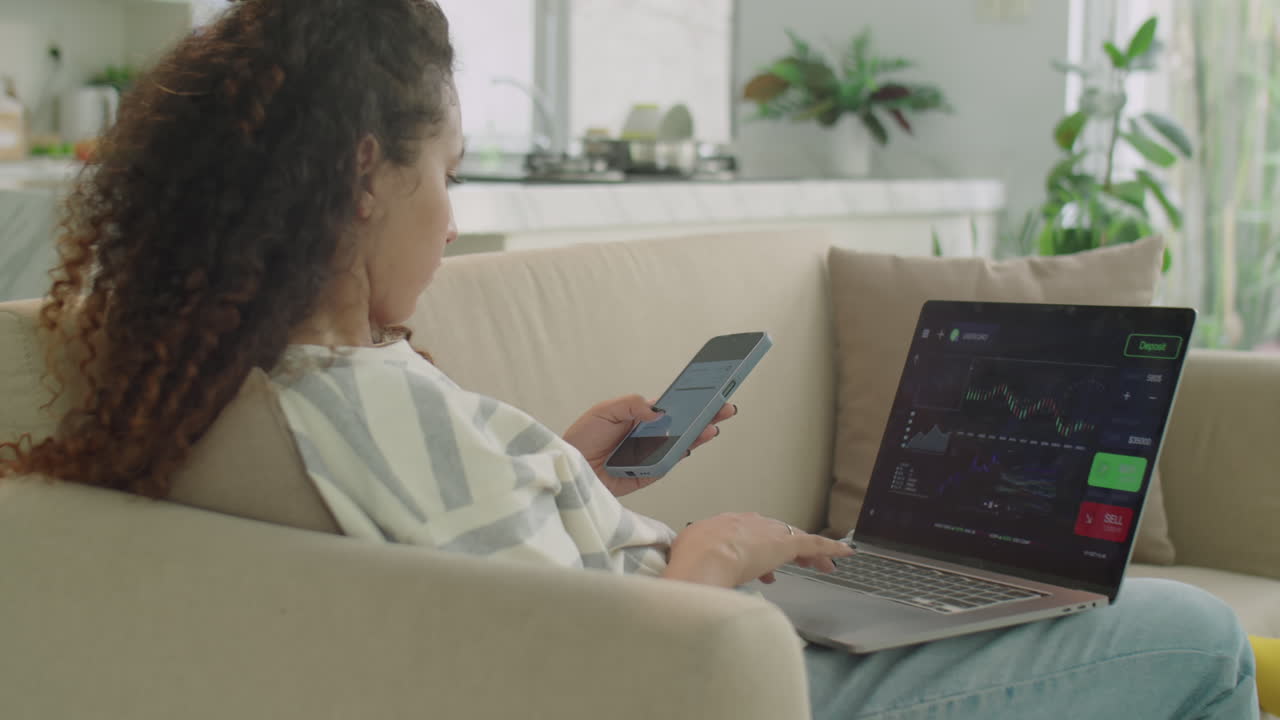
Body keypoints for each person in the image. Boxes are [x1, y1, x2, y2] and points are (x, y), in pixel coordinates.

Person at [0, 1, 1267, 717]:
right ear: (360, 177)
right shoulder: (370, 400)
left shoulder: (270, 387)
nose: (450, 214)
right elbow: (586, 676)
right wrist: (712, 552)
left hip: (724, 625)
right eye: (444, 174)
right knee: (1198, 638)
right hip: (743, 670)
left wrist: (575, 472)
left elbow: (488, 580)